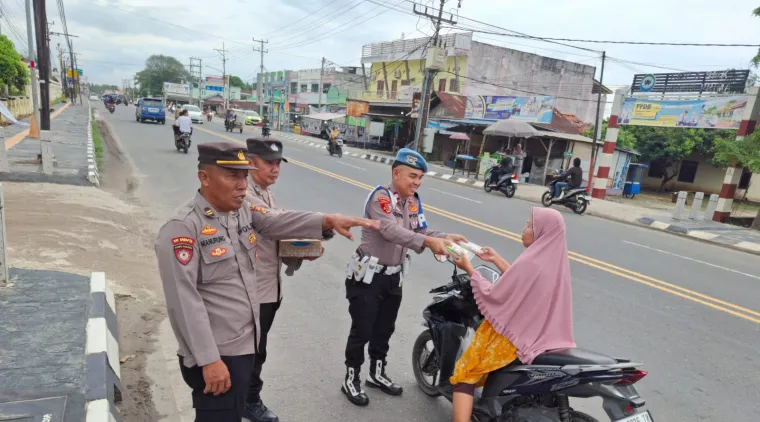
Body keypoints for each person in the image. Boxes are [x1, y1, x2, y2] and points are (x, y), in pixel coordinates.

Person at [155, 142, 378, 422]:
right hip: (217, 352)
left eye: (244, 176)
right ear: (204, 177)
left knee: (232, 413)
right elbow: (183, 302)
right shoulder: (182, 228)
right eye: (232, 176)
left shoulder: (242, 212)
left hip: (245, 342)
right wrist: (208, 360)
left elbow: (276, 221)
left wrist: (328, 220)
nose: (241, 185)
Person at [341, 147, 468, 406]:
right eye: (412, 176)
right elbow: (390, 231)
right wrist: (428, 242)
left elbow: (421, 227)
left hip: (393, 278)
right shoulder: (382, 198)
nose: (416, 182)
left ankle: (376, 374)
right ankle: (351, 379)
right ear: (396, 173)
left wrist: (443, 237)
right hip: (368, 278)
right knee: (362, 330)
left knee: (384, 329)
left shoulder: (413, 201)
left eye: (420, 177)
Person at [449, 207, 576, 422]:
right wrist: (496, 259)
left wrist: (469, 268)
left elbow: (496, 294)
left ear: (540, 232)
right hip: (541, 338)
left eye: (529, 225)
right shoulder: (552, 263)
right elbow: (521, 284)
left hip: (512, 338)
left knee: (464, 375)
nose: (523, 229)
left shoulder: (531, 262)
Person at [242, 138, 328, 422]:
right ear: (250, 161)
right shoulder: (246, 194)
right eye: (269, 162)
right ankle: (248, 400)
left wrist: (307, 249)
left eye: (278, 163)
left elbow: (276, 241)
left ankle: (244, 397)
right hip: (252, 291)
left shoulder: (266, 194)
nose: (276, 169)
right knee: (252, 350)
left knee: (257, 348)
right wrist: (322, 223)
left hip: (270, 288)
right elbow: (275, 225)